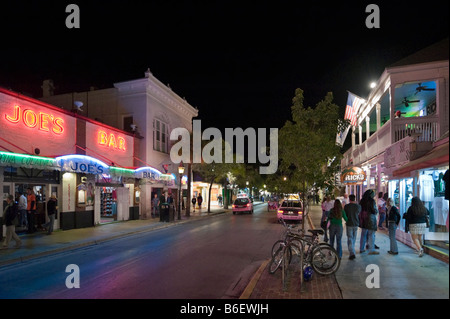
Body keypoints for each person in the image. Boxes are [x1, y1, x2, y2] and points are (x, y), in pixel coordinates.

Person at [359, 189, 379, 255]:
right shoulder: (372, 201)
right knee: (371, 234)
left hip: (363, 219)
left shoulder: (362, 201)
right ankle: (371, 249)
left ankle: (361, 249)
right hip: (370, 218)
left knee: (363, 234)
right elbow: (374, 210)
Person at [344, 194, 361, 260]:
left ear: (349, 199)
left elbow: (345, 214)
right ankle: (352, 250)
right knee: (354, 238)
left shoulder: (346, 206)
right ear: (354, 199)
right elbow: (358, 213)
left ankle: (352, 252)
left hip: (349, 223)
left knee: (350, 238)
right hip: (356, 223)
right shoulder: (358, 206)